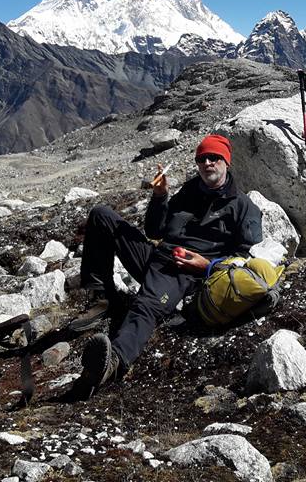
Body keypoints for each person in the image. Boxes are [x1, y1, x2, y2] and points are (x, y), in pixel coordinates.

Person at [76, 133, 262, 396]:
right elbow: (155, 229)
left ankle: (113, 362)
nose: (207, 163)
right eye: (202, 159)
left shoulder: (243, 207)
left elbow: (246, 257)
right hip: (157, 256)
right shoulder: (189, 191)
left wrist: (207, 265)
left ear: (226, 162)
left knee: (146, 305)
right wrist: (160, 196)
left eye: (214, 158)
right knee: (102, 216)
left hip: (182, 272)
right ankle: (101, 297)